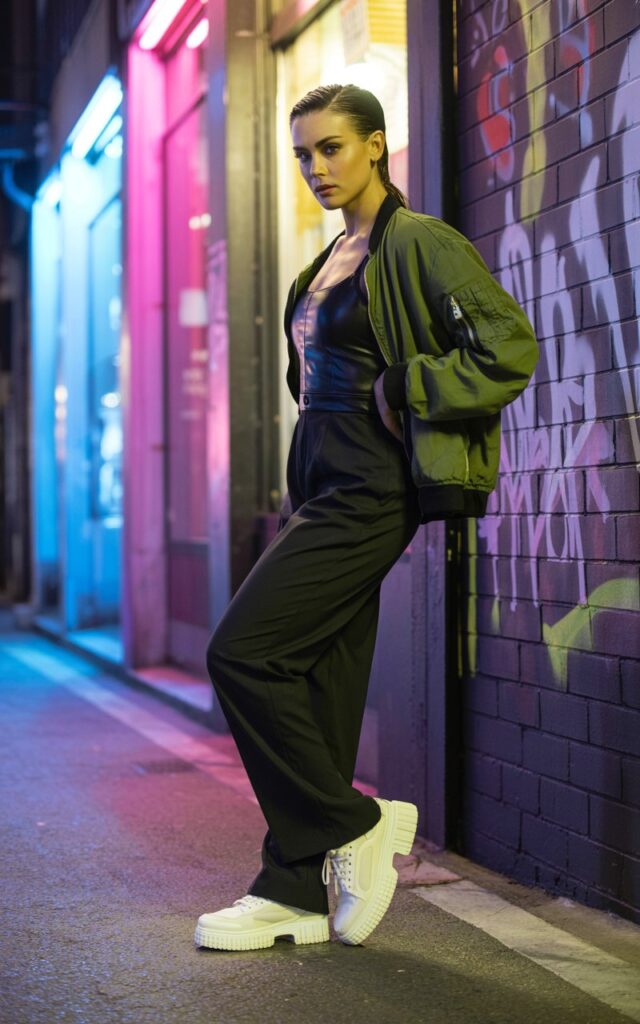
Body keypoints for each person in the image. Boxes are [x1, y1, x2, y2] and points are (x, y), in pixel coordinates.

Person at [195, 84, 538, 952]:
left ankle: (355, 824)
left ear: (376, 146)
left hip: (371, 480)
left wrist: (408, 384)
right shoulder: (324, 263)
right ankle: (293, 890)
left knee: (242, 651)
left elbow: (509, 347)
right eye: (303, 154)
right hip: (318, 474)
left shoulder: (418, 241)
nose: (316, 167)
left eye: (332, 148)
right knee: (317, 676)